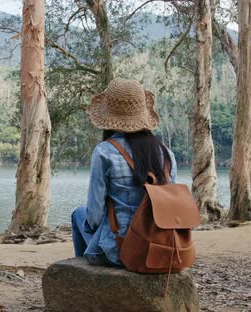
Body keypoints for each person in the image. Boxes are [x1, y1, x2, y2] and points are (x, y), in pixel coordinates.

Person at [71, 78, 177, 267]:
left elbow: (95, 214)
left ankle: (85, 276)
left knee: (78, 214)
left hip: (119, 251)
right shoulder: (166, 154)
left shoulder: (104, 151)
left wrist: (99, 230)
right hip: (158, 248)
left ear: (109, 118)